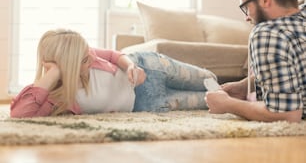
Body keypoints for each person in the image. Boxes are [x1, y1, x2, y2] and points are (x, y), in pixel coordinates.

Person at [10, 29, 216, 118]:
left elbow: (112, 54)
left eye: (88, 51)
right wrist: (52, 74)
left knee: (209, 79)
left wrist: (130, 67)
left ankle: (242, 89)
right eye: (83, 60)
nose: (91, 58)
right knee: (211, 99)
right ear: (67, 68)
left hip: (150, 66)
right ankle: (237, 96)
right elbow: (19, 114)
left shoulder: (87, 54)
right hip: (148, 103)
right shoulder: (60, 99)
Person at [205, 0, 305, 122]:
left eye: (246, 7)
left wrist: (228, 104)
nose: (246, 17)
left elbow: (287, 114)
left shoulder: (268, 33)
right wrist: (247, 84)